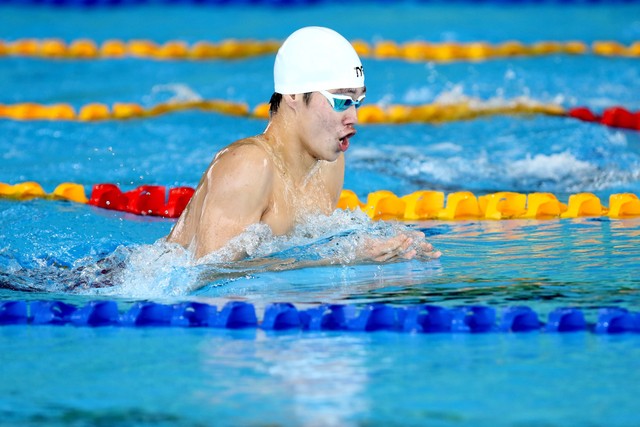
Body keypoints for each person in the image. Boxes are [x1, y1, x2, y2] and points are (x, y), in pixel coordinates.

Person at [167, 26, 440, 263]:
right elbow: (206, 275)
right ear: (294, 95)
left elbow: (298, 254)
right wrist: (340, 259)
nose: (354, 117)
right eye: (342, 101)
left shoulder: (328, 165)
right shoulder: (248, 165)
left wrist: (391, 251)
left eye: (358, 101)